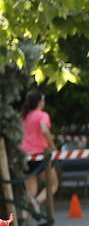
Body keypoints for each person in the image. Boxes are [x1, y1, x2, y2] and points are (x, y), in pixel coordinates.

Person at [18, 90, 57, 219]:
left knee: (30, 193)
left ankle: (23, 224)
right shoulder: (42, 115)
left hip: (26, 156)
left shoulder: (24, 116)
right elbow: (44, 129)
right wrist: (52, 146)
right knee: (53, 185)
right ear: (41, 102)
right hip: (40, 155)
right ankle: (36, 202)